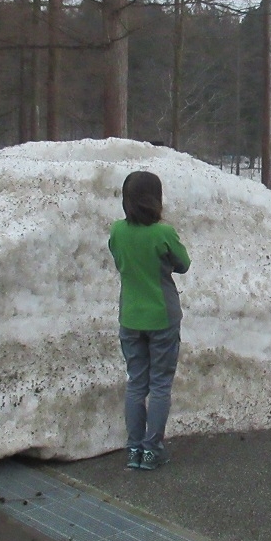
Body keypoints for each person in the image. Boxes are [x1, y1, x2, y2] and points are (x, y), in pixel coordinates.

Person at [108, 171, 191, 471]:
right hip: (162, 317)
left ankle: (133, 449)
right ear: (156, 199)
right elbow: (183, 264)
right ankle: (152, 449)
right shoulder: (163, 233)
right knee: (159, 385)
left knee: (136, 383)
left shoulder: (117, 231)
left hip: (130, 316)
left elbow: (120, 261)